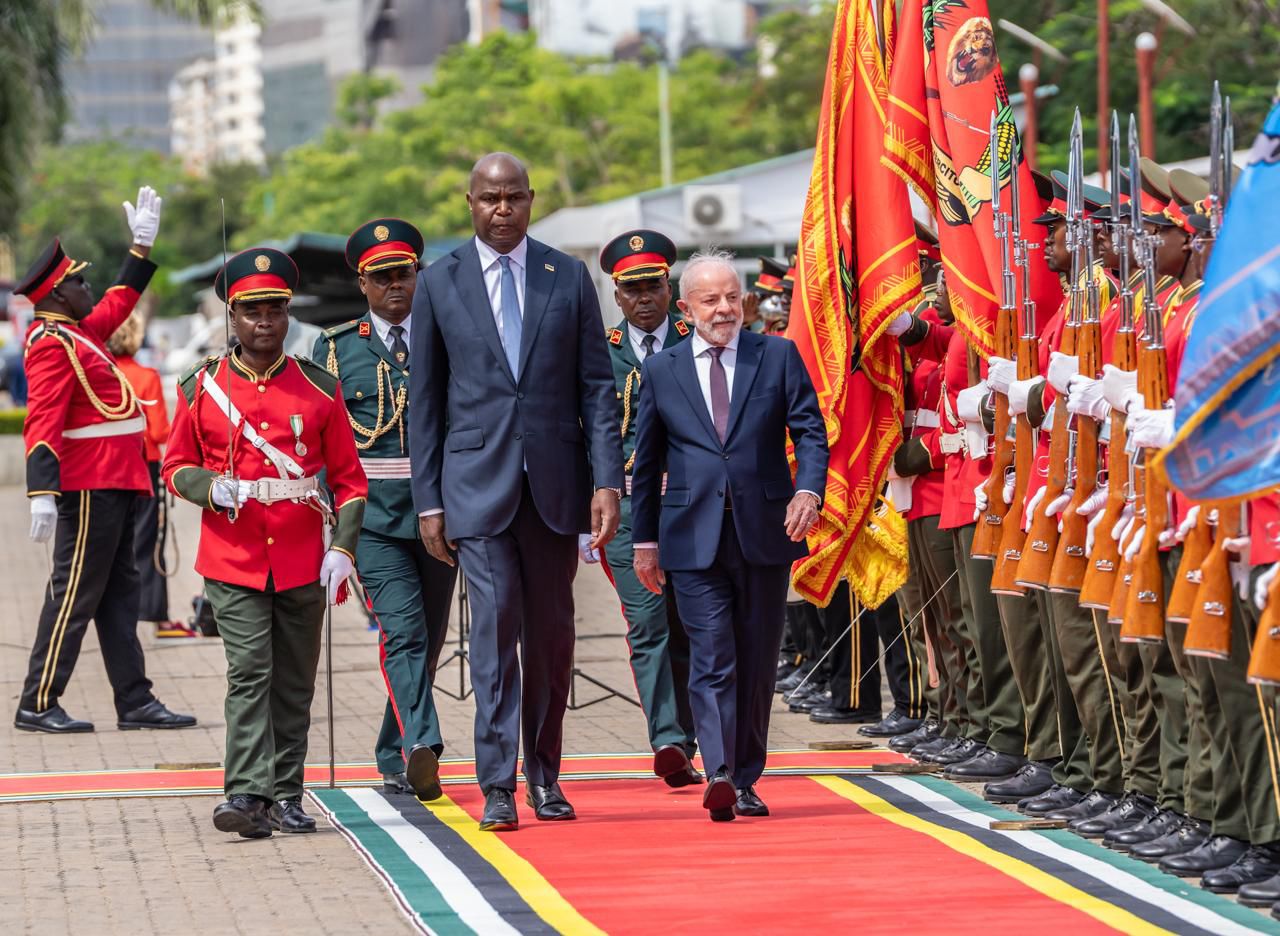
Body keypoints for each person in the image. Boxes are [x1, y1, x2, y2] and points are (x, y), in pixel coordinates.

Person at [408, 152, 623, 832]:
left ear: (531, 200)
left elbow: (597, 387)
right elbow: (425, 402)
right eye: (489, 199)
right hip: (476, 489)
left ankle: (545, 776)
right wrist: (429, 501)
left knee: (552, 638)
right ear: (469, 203)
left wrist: (607, 480)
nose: (502, 210)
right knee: (495, 632)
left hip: (556, 488)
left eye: (514, 198)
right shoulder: (438, 282)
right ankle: (498, 783)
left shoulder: (568, 275)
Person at [162, 247, 367, 839]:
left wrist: (343, 548)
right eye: (251, 311)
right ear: (232, 316)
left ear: (287, 314)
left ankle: (286, 795)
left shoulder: (318, 388)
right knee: (251, 672)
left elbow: (350, 482)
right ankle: (247, 793)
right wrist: (210, 487)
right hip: (234, 557)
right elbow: (175, 466)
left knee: (294, 682)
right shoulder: (202, 387)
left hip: (302, 556)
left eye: (274, 310)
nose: (264, 322)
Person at [630, 249, 828, 822]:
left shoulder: (777, 355)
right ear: (686, 309)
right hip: (691, 537)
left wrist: (808, 491)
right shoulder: (663, 369)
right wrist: (644, 543)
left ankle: (745, 777)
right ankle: (718, 770)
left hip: (764, 532)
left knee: (757, 659)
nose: (724, 309)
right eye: (710, 300)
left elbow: (810, 432)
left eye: (732, 297)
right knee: (712, 655)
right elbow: (647, 461)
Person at [14, 186, 196, 734]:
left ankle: (135, 700)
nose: (88, 288)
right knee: (75, 593)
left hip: (116, 480)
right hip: (88, 485)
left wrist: (140, 250)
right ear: (58, 293)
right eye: (79, 282)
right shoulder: (52, 343)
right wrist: (42, 492)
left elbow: (119, 301)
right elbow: (42, 419)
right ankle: (37, 701)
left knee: (120, 594)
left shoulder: (79, 333)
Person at [317, 218, 458, 799]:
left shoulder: (446, 338)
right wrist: (333, 530)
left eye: (404, 273)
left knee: (429, 637)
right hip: (372, 518)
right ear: (363, 284)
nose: (395, 285)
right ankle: (423, 744)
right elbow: (324, 444)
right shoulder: (336, 348)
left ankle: (392, 750)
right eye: (382, 277)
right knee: (402, 632)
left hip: (439, 515)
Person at [584, 228, 700, 786]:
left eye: (653, 285)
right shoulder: (598, 352)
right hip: (629, 508)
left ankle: (697, 734)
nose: (644, 298)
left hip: (692, 506)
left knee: (692, 623)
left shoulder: (696, 342)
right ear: (617, 295)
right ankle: (669, 739)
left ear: (669, 288)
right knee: (648, 621)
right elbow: (586, 431)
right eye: (632, 289)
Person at [108, 312, 195, 639]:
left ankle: (116, 614)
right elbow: (158, 431)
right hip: (143, 466)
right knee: (149, 542)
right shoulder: (146, 376)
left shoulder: (102, 374)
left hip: (107, 469)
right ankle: (159, 618)